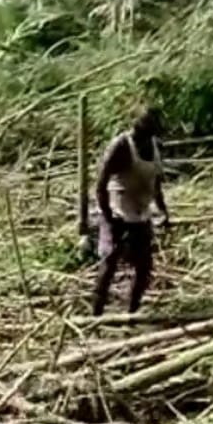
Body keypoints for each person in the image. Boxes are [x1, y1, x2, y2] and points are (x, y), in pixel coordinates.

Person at [93, 107, 170, 316]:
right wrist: (108, 215)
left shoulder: (153, 146)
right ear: (135, 128)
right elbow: (100, 183)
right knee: (109, 264)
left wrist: (163, 211)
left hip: (140, 214)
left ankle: (131, 313)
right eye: (140, 131)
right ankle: (96, 314)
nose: (142, 137)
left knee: (144, 267)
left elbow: (156, 184)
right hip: (117, 212)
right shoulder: (121, 146)